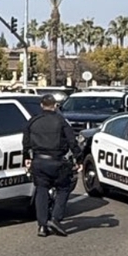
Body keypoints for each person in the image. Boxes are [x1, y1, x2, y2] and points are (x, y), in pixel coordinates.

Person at [23, 93, 81, 237]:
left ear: (41, 105)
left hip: (39, 161)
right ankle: (55, 218)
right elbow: (72, 141)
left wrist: (26, 157)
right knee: (64, 188)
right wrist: (79, 158)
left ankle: (42, 226)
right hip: (57, 161)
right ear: (55, 105)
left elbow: (26, 141)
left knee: (41, 191)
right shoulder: (61, 121)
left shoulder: (33, 121)